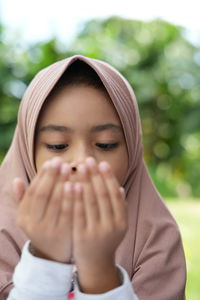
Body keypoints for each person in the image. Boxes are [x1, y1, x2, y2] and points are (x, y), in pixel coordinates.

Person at [0, 55, 186, 300]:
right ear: (27, 150)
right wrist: (46, 257)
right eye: (57, 145)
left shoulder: (156, 237)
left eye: (105, 144)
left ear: (131, 147)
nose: (83, 161)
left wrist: (99, 269)